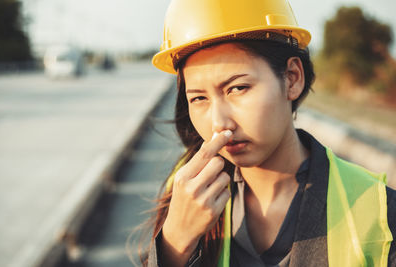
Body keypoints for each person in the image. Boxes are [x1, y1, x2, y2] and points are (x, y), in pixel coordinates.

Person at [144, 0, 396, 266]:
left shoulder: (380, 211)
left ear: (292, 78)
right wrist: (175, 242)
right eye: (198, 99)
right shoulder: (187, 194)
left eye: (238, 88)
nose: (219, 122)